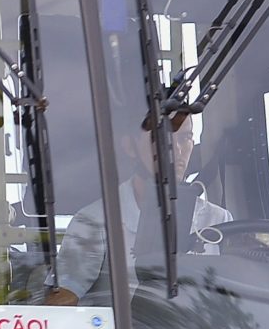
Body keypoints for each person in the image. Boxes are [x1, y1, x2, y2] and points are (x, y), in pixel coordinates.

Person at [49, 116, 229, 304]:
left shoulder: (218, 220)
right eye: (161, 138)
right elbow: (59, 306)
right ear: (130, 146)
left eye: (184, 138)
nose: (176, 150)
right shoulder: (93, 222)